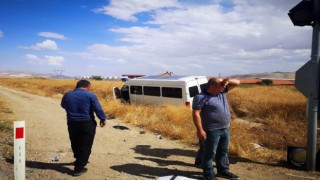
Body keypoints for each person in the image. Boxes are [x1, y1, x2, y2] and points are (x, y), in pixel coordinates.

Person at [192, 77, 240, 180]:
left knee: (223, 152)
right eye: (222, 85)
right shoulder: (200, 97)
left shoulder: (221, 92)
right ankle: (208, 175)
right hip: (211, 130)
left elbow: (237, 82)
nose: (224, 87)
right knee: (209, 154)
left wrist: (225, 81)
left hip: (225, 128)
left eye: (224, 85)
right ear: (212, 86)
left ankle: (222, 171)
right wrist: (200, 130)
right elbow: (196, 113)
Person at [61, 80, 107, 176]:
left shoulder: (67, 95)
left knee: (75, 142)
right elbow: (97, 109)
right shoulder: (90, 95)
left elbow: (63, 105)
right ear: (88, 86)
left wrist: (73, 110)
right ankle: (78, 168)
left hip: (72, 122)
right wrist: (102, 119)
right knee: (86, 144)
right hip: (87, 123)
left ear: (77, 86)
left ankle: (79, 159)